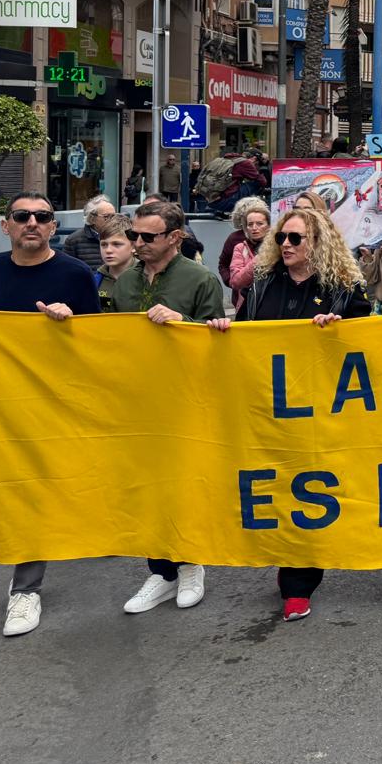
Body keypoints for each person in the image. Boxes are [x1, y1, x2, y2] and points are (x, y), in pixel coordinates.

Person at [0, 192, 100, 637]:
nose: (32, 222)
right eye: (22, 216)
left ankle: (29, 584)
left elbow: (101, 345)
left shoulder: (75, 274)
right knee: (20, 488)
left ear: (54, 227)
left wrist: (72, 325)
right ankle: (26, 585)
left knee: (56, 486)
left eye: (42, 216)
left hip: (56, 404)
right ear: (6, 225)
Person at [206, 205, 369, 621]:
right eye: (282, 238)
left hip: (321, 410)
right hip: (269, 407)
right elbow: (244, 334)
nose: (285, 245)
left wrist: (340, 331)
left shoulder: (346, 288)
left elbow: (370, 342)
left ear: (318, 243)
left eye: (295, 238)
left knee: (308, 491)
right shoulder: (262, 285)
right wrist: (226, 331)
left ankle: (298, 581)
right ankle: (284, 559)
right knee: (275, 487)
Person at [108, 199, 224, 617]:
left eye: (147, 236)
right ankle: (160, 571)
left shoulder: (200, 280)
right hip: (136, 403)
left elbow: (219, 345)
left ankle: (192, 563)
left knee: (183, 483)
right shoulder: (123, 283)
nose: (137, 243)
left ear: (174, 237)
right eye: (133, 235)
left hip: (184, 403)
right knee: (145, 487)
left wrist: (182, 324)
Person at [225, 199, 273, 312]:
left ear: (269, 225)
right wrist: (258, 259)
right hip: (246, 306)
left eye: (260, 224)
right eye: (250, 224)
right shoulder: (240, 248)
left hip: (272, 304)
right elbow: (236, 281)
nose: (254, 228)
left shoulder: (278, 247)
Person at [95, 214, 137, 311]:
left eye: (117, 244)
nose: (108, 250)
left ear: (134, 246)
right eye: (104, 244)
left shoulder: (148, 276)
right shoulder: (95, 280)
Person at [62, 196, 117, 268]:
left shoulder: (122, 237)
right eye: (107, 217)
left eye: (114, 216)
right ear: (92, 218)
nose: (113, 220)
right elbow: (67, 270)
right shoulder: (74, 240)